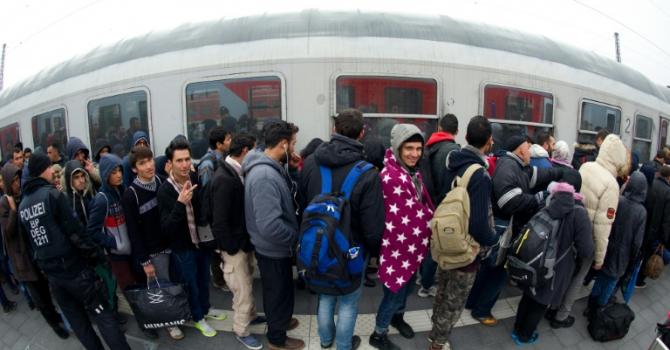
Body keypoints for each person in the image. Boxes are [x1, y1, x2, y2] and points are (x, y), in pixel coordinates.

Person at [18, 152, 131, 350]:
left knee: (80, 324)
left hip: (54, 277)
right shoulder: (52, 195)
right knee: (103, 315)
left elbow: (30, 244)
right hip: (76, 271)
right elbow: (77, 234)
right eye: (48, 168)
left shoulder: (23, 206)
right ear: (42, 170)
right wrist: (97, 258)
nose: (51, 172)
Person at [299, 109, 384, 350]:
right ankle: (344, 346)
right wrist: (374, 252)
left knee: (325, 296)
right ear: (362, 133)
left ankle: (326, 341)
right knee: (348, 302)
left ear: (334, 130)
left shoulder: (311, 163)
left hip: (317, 245)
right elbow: (373, 226)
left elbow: (303, 204)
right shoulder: (368, 173)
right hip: (352, 251)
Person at [467, 135, 566, 326]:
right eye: (528, 148)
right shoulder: (509, 168)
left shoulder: (515, 165)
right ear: (521, 150)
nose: (530, 151)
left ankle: (472, 303)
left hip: (503, 227)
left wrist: (559, 173)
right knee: (498, 273)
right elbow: (508, 202)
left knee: (488, 268)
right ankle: (482, 310)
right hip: (505, 229)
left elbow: (535, 174)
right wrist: (539, 197)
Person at [428, 116, 498, 350]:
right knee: (455, 300)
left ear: (465, 137)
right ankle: (437, 343)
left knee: (442, 291)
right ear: (489, 141)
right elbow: (478, 223)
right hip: (464, 247)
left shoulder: (450, 162)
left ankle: (434, 331)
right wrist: (493, 239)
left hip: (445, 237)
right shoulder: (479, 174)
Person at [549, 134, 628, 328]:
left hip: (569, 230)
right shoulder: (611, 185)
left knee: (562, 271)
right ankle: (561, 316)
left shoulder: (586, 166)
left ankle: (550, 305)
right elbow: (603, 226)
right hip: (587, 240)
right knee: (577, 279)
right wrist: (599, 259)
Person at [369, 124, 434, 350]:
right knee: (394, 294)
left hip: (412, 247)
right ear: (397, 147)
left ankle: (397, 318)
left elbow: (420, 204)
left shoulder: (410, 171)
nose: (415, 154)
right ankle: (378, 333)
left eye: (418, 148)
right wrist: (435, 220)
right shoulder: (391, 176)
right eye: (409, 148)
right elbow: (410, 213)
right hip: (397, 249)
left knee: (406, 290)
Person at [244, 121, 304, 350]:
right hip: (273, 247)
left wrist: (293, 167)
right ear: (283, 144)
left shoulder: (268, 167)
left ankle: (282, 321)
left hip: (274, 246)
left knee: (280, 290)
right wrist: (295, 237)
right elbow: (269, 225)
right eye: (293, 144)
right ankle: (277, 339)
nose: (295, 149)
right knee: (277, 293)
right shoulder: (265, 177)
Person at [158, 137, 225, 338]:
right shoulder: (165, 190)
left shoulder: (193, 179)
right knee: (191, 285)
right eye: (179, 160)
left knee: (204, 279)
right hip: (183, 248)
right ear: (170, 163)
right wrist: (180, 204)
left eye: (187, 159)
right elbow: (166, 228)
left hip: (201, 242)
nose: (185, 164)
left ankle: (205, 309)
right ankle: (197, 318)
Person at [511, 182, 594, 345]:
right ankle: (524, 337)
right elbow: (586, 249)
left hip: (534, 260)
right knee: (541, 300)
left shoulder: (549, 201)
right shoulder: (580, 213)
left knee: (528, 295)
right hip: (558, 268)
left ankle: (517, 328)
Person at [121, 145, 185, 340]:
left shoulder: (160, 180)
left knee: (175, 282)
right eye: (142, 163)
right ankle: (170, 323)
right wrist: (145, 261)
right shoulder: (131, 194)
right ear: (134, 169)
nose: (149, 165)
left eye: (149, 160)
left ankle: (179, 313)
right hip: (154, 251)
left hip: (171, 243)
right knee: (161, 287)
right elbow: (134, 232)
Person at [0, 161, 70, 337]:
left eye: (18, 179)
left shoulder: (24, 195)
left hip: (37, 255)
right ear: (8, 182)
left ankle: (56, 316)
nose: (18, 183)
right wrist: (14, 211)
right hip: (23, 262)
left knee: (47, 291)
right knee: (40, 300)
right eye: (14, 180)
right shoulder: (4, 203)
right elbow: (7, 233)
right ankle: (55, 326)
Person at [210, 133, 267, 349]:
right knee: (241, 289)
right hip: (234, 248)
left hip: (243, 243)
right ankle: (241, 330)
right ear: (245, 151)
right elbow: (219, 220)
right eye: (254, 149)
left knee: (247, 281)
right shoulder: (224, 179)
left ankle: (250, 316)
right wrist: (231, 248)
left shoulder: (234, 171)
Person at [587, 171, 646, 314]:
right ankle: (599, 309)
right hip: (623, 254)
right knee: (611, 282)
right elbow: (637, 242)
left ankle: (590, 306)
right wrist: (633, 260)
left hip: (609, 246)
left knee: (601, 277)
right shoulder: (641, 212)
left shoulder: (618, 200)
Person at [420, 114, 461, 298]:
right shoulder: (454, 151)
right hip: (443, 205)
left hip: (426, 202)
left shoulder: (428, 146)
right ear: (457, 131)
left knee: (427, 243)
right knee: (435, 247)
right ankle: (427, 285)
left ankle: (422, 277)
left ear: (439, 129)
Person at [197, 126, 232, 293]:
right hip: (212, 214)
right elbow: (205, 193)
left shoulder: (219, 159)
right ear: (219, 144)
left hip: (218, 211)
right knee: (215, 249)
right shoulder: (208, 163)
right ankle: (218, 280)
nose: (230, 142)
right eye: (228, 139)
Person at [636, 165, 670, 288]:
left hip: (642, 224)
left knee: (637, 250)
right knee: (647, 255)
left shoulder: (650, 182)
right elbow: (666, 220)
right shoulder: (668, 192)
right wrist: (664, 240)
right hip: (653, 232)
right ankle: (638, 280)